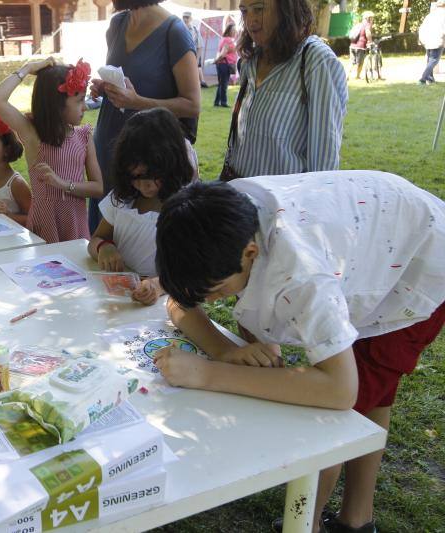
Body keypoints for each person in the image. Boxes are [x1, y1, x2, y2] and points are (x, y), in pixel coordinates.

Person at [152, 172, 445, 533]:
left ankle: (307, 523)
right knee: (372, 393)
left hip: (418, 262)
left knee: (343, 413)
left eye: (216, 290)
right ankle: (358, 520)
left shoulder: (301, 276)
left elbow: (339, 391)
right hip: (374, 234)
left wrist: (208, 373)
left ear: (250, 253)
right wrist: (223, 350)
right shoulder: (206, 220)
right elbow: (182, 301)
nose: (208, 300)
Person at [88, 0, 201, 233]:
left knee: (135, 237)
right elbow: (127, 79)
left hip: (144, 161)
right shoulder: (118, 24)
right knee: (103, 232)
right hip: (108, 148)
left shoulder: (174, 32)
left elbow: (192, 105)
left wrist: (136, 101)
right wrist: (106, 88)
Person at [220, 0, 347, 181]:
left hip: (284, 196)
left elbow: (323, 166)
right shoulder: (251, 60)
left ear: (287, 8)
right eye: (244, 11)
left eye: (258, 9)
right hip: (236, 188)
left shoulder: (316, 61)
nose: (250, 21)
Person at [87, 108, 198, 306]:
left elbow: (190, 273)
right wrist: (104, 247)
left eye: (152, 176)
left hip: (163, 306)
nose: (144, 185)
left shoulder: (185, 210)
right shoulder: (123, 199)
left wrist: (157, 286)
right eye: (135, 177)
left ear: (172, 165)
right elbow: (96, 238)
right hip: (119, 301)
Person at [0, 57, 104, 244]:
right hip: (45, 226)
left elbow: (98, 188)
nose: (85, 107)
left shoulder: (84, 136)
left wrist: (63, 184)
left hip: (75, 225)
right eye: (79, 101)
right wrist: (28, 68)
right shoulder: (33, 135)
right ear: (57, 104)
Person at [418, 0, 445, 85]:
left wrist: (421, 39)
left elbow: (422, 27)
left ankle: (430, 79)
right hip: (437, 40)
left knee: (430, 60)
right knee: (433, 60)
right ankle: (422, 79)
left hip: (427, 40)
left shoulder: (430, 15)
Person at [213, 24, 237, 107]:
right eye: (233, 30)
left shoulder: (223, 39)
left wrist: (216, 61)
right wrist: (216, 61)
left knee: (221, 84)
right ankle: (223, 102)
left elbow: (220, 52)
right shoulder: (228, 40)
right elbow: (223, 54)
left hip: (222, 64)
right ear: (229, 31)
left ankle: (217, 102)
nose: (235, 32)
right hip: (225, 65)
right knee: (224, 84)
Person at [183, 11, 208, 88]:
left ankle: (198, 84)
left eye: (187, 17)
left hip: (192, 55)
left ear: (191, 18)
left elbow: (200, 46)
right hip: (182, 56)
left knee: (193, 72)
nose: (185, 19)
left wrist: (197, 59)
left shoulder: (195, 30)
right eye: (184, 17)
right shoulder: (179, 29)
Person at [349, 11, 375, 81]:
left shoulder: (359, 24)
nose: (372, 20)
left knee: (352, 62)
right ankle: (357, 76)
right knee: (360, 62)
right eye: (372, 18)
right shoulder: (367, 25)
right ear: (368, 18)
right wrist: (370, 41)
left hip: (352, 45)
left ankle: (347, 76)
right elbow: (368, 33)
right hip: (360, 46)